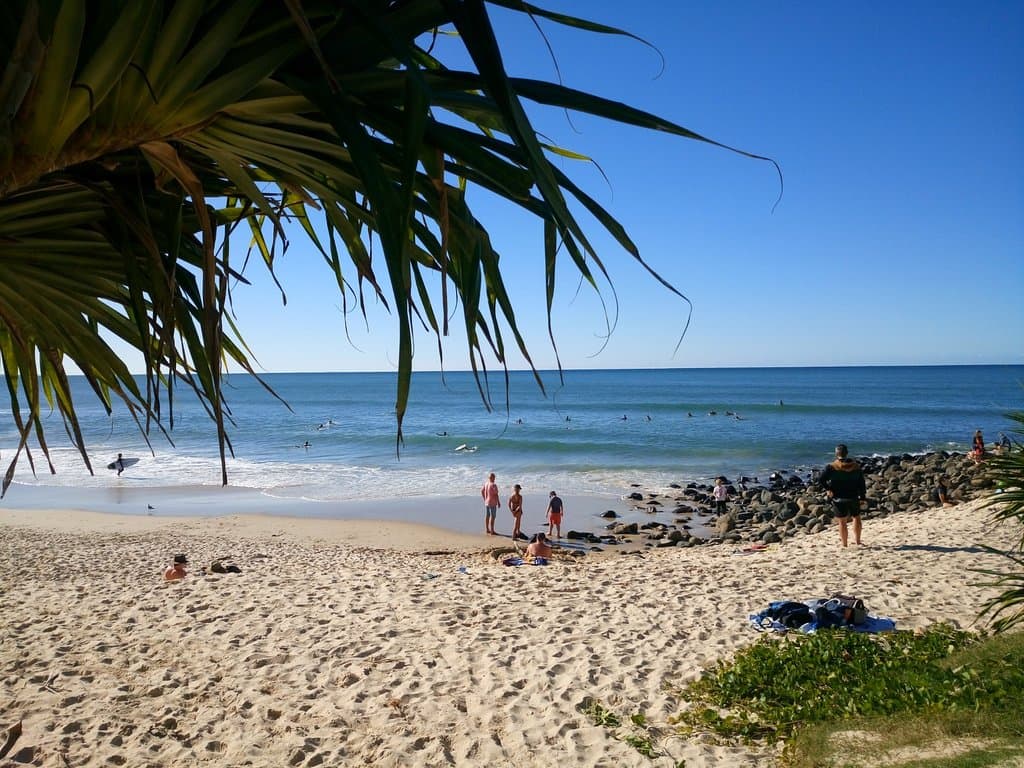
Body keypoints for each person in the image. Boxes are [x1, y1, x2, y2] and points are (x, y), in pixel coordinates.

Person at [819, 444, 867, 547]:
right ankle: (858, 541)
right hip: (853, 496)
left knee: (842, 522)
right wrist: (862, 497)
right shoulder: (856, 466)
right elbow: (861, 483)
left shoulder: (831, 467)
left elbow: (821, 479)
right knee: (856, 518)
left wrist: (828, 489)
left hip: (838, 498)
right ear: (847, 453)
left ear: (836, 454)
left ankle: (845, 544)